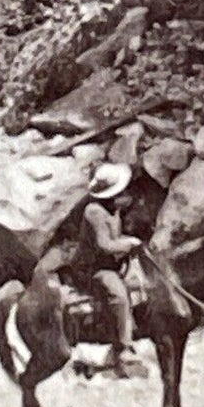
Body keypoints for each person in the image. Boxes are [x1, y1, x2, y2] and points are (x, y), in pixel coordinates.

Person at [79, 161, 142, 376]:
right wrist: (128, 245)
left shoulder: (112, 210)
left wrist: (128, 242)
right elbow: (104, 245)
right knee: (119, 295)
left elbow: (114, 239)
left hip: (113, 263)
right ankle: (123, 347)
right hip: (95, 268)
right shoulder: (94, 212)